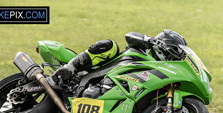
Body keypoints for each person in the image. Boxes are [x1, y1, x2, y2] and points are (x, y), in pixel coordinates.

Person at [52, 29, 188, 84]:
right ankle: (70, 67)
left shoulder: (159, 74)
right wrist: (149, 40)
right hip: (99, 72)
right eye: (173, 52)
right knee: (110, 45)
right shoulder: (142, 49)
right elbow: (130, 35)